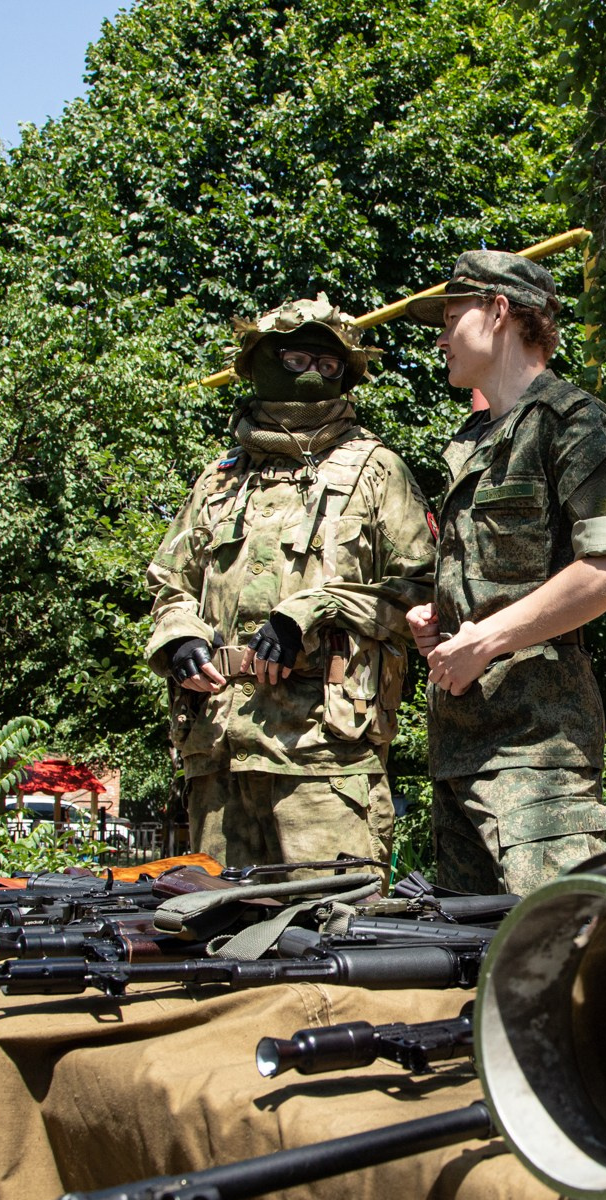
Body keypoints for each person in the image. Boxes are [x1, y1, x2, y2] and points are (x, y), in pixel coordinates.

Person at [145, 296, 435, 871]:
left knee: (329, 929)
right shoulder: (217, 479)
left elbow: (424, 592)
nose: (311, 374)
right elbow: (170, 582)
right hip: (218, 750)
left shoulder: (378, 471)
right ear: (260, 363)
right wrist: (179, 637)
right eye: (297, 357)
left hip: (324, 755)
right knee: (212, 931)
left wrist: (313, 610)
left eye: (327, 365)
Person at [402, 251, 606, 894]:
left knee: (558, 943)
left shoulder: (571, 422)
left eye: (452, 315)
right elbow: (497, 583)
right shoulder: (474, 441)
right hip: (460, 746)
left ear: (498, 310)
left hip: (537, 752)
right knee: (463, 957)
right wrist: (445, 623)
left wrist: (483, 640)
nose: (440, 336)